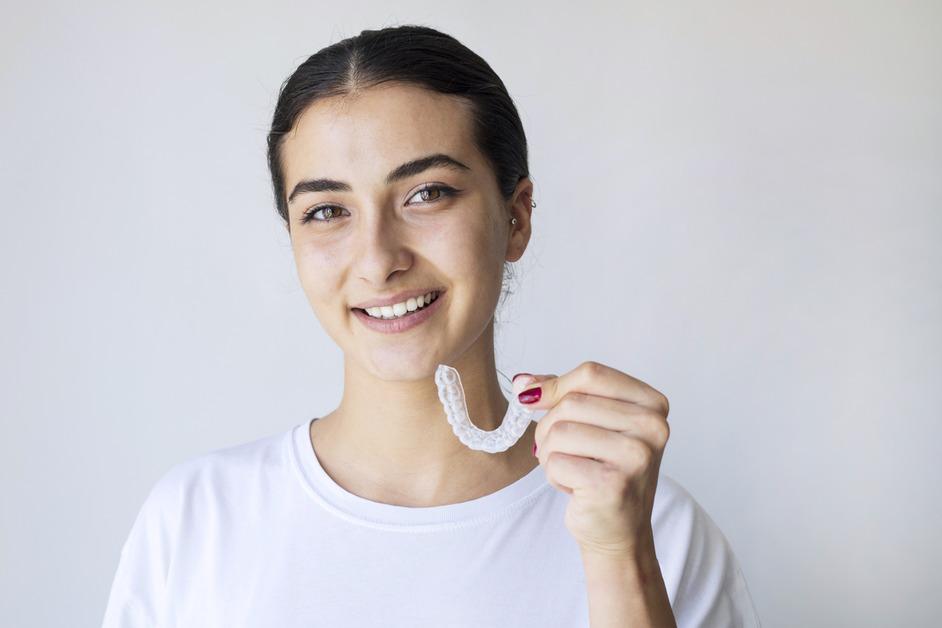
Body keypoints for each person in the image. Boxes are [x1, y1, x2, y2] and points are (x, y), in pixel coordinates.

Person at [102, 24, 762, 627]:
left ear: (517, 217)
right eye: (328, 211)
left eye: (427, 194)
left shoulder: (657, 532)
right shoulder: (194, 522)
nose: (379, 260)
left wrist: (619, 556)